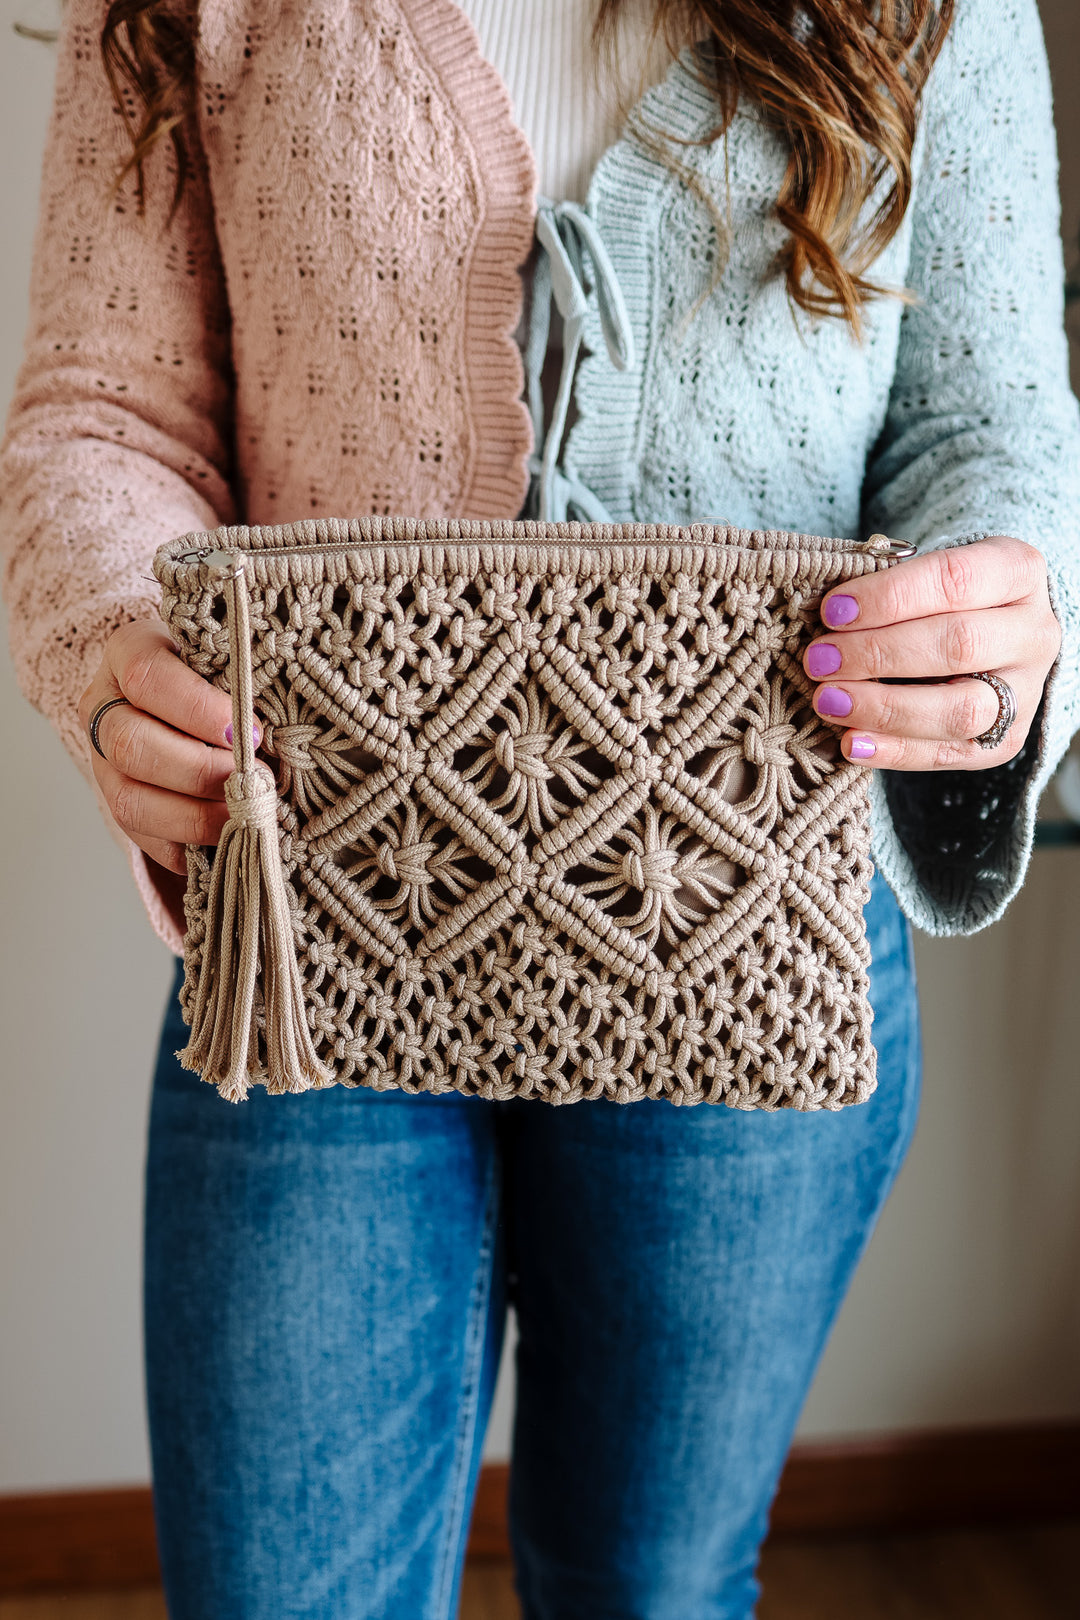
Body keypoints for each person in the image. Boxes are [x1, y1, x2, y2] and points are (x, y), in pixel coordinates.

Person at [2, 1, 1078, 1615]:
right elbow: (105, 412)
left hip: (744, 935)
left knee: (652, 1585)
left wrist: (997, 624)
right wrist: (107, 643)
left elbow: (983, 426)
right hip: (319, 941)